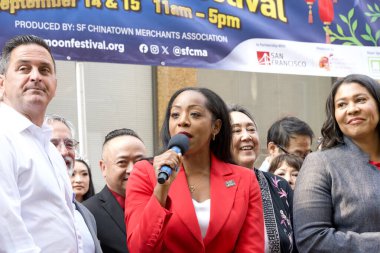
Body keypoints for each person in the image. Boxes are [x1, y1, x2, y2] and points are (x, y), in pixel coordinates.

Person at [125, 87, 264, 252]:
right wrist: (161, 189)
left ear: (216, 127)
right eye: (175, 115)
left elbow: (251, 247)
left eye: (195, 114)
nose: (182, 121)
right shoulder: (144, 172)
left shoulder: (245, 179)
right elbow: (139, 248)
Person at [0, 34, 78, 252]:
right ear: (2, 83)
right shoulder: (4, 137)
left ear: (55, 85)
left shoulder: (48, 147)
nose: (36, 77)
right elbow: (6, 230)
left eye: (44, 70)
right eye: (24, 69)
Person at [293, 74, 380, 252]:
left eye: (361, 100)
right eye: (342, 104)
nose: (352, 109)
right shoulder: (320, 163)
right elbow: (311, 240)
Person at [229, 104, 296, 253]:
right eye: (236, 131)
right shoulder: (210, 187)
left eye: (251, 129)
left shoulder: (280, 186)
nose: (246, 136)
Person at [84, 128, 147, 253]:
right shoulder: (88, 213)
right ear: (103, 168)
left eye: (139, 161)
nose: (132, 169)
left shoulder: (161, 203)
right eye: (122, 162)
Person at [46, 114, 102, 253]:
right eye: (53, 144)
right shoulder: (22, 205)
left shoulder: (85, 215)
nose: (64, 151)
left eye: (69, 144)